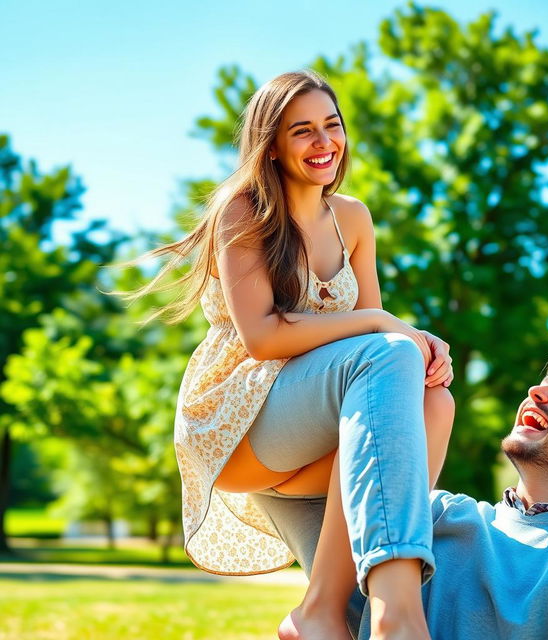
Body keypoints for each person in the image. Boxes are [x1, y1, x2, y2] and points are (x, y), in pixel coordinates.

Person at [118, 70, 455, 640]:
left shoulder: (353, 219)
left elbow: (373, 352)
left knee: (434, 403)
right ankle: (398, 618)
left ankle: (323, 610)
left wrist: (418, 358)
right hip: (239, 423)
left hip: (316, 426)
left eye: (333, 125)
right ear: (271, 144)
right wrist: (384, 323)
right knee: (389, 351)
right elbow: (264, 339)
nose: (325, 142)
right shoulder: (242, 212)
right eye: (303, 131)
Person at [252, 336, 548, 639]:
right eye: (544, 383)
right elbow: (268, 481)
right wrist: (394, 354)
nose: (536, 393)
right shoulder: (423, 514)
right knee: (418, 381)